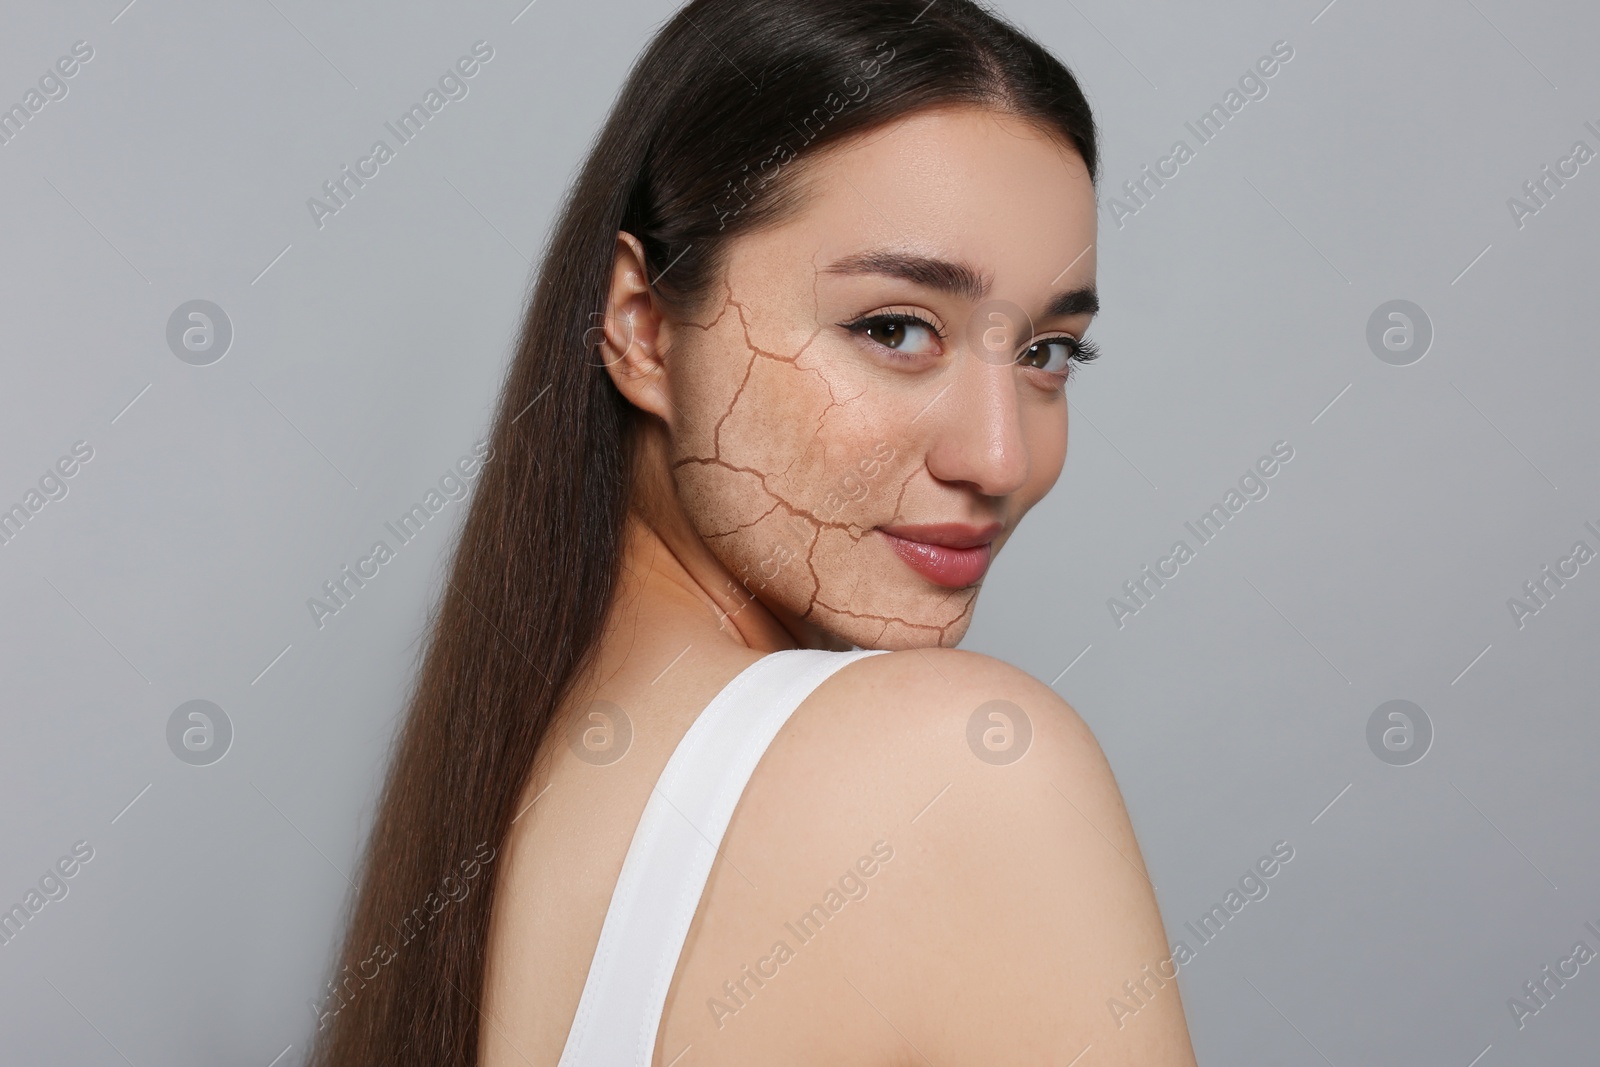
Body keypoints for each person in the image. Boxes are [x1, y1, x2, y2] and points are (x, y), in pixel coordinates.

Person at [308, 1, 1198, 1063]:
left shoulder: (518, 791)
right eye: (895, 328)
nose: (1001, 459)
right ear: (643, 329)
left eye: (1048, 353)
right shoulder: (955, 766)